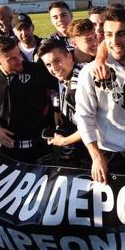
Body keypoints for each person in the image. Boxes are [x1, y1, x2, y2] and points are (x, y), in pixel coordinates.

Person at [74, 8, 125, 184]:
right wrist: (96, 157)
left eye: (121, 34)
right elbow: (84, 116)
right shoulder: (90, 72)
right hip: (108, 154)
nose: (114, 41)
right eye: (108, 34)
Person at [0, 37, 56, 163]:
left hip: (40, 145)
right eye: (12, 59)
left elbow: (61, 86)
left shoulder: (36, 70)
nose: (19, 60)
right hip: (10, 147)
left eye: (18, 54)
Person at [38, 39, 88, 167]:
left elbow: (91, 126)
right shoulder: (66, 76)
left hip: (94, 149)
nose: (54, 68)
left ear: (70, 56)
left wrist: (64, 141)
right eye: (48, 65)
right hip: (79, 144)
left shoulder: (79, 85)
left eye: (57, 61)